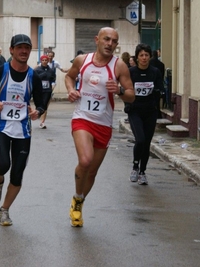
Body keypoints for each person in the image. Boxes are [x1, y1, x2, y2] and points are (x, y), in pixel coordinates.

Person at [65, 27, 135, 227]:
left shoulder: (119, 66)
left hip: (103, 123)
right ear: (97, 40)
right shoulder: (82, 60)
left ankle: (78, 201)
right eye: (106, 39)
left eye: (114, 41)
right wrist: (71, 90)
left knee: (93, 171)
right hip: (82, 118)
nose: (110, 44)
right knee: (85, 161)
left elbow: (132, 94)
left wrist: (120, 90)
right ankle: (78, 199)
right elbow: (69, 77)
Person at [0, 34, 45, 226]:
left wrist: (37, 112)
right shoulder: (0, 72)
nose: (24, 51)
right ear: (11, 50)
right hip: (1, 126)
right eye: (20, 47)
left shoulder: (34, 76)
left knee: (17, 173)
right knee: (3, 165)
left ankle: (4, 210)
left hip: (23, 130)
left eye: (27, 48)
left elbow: (41, 103)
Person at [126, 43, 164, 185]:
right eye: (141, 55)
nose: (144, 58)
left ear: (150, 57)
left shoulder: (155, 72)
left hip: (150, 111)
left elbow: (161, 88)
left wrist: (157, 92)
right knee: (140, 139)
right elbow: (125, 90)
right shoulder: (131, 72)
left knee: (147, 142)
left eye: (146, 55)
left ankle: (143, 172)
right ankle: (135, 166)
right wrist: (127, 104)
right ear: (136, 57)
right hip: (135, 110)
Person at [34, 54, 56, 129]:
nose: (44, 62)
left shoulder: (51, 70)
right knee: (39, 105)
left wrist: (53, 85)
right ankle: (38, 113)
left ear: (48, 61)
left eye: (46, 60)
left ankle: (42, 122)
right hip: (39, 90)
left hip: (47, 90)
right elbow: (35, 79)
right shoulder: (37, 70)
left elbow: (53, 79)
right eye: (43, 60)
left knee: (45, 105)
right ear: (41, 61)